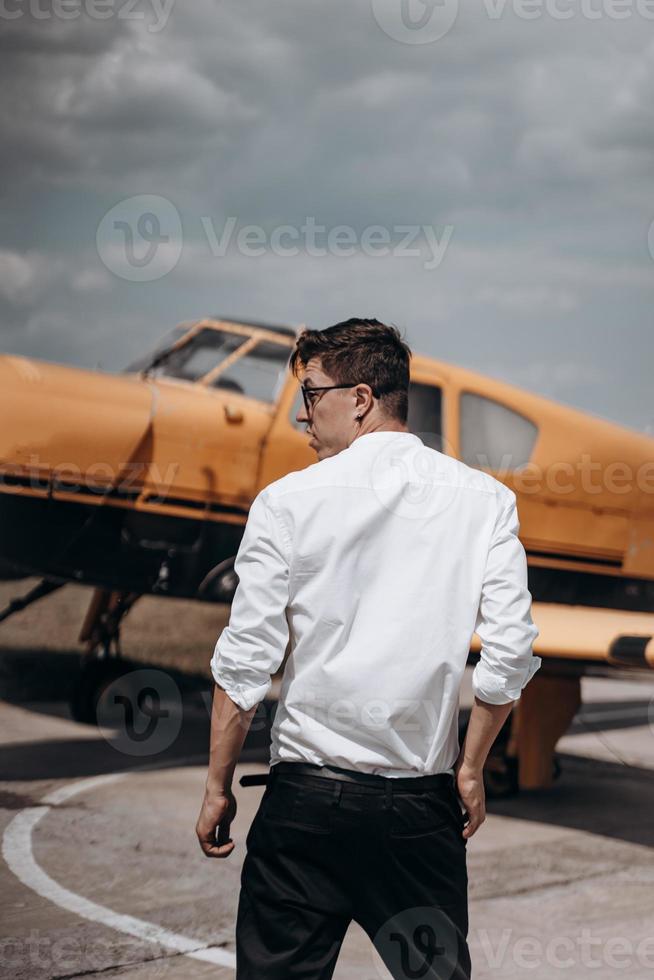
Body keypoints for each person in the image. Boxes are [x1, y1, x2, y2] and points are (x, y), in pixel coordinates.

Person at [196, 317, 541, 979]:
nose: (301, 415)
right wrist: (470, 768)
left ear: (359, 399)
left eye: (310, 394)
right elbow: (508, 655)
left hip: (302, 808)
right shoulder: (487, 502)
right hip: (418, 810)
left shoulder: (283, 502)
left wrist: (217, 786)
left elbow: (245, 661)